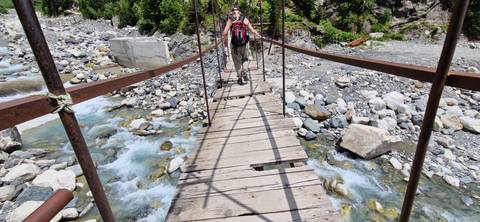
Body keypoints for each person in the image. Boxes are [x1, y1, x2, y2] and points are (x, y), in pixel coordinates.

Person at [222, 7, 262, 85]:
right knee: (245, 58)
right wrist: (259, 36)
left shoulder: (230, 19)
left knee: (237, 61)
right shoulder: (244, 19)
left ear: (232, 12)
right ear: (239, 12)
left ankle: (240, 77)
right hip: (244, 43)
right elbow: (252, 31)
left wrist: (225, 42)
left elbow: (224, 33)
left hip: (234, 44)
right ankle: (244, 71)